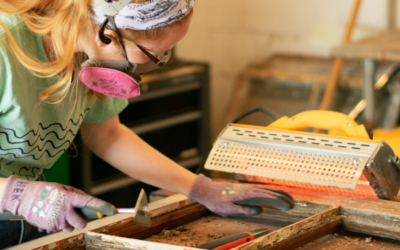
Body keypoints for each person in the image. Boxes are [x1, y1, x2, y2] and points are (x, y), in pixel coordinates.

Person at [0, 0, 294, 248]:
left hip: (22, 218)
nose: (151, 65)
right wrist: (18, 195)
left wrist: (200, 189)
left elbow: (109, 135)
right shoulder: (5, 45)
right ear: (107, 35)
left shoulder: (85, 53)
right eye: (154, 55)